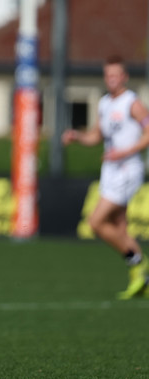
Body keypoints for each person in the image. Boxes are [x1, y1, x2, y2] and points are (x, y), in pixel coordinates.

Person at [62, 55, 149, 299]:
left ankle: (139, 262)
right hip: (110, 170)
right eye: (107, 75)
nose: (111, 79)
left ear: (124, 77)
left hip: (128, 169)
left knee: (96, 222)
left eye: (115, 75)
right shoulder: (104, 104)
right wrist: (77, 137)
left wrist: (125, 151)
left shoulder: (132, 103)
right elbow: (95, 136)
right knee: (120, 227)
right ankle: (141, 281)